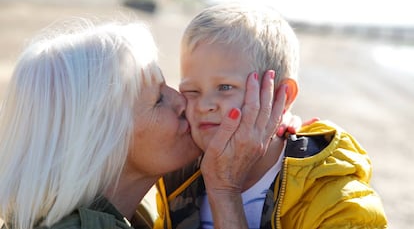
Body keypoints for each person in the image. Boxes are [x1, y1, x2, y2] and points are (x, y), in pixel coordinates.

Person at [0, 19, 288, 229]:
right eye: (159, 99)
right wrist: (225, 192)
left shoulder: (130, 211)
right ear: (101, 137)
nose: (182, 102)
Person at [154, 2, 388, 229]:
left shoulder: (337, 202)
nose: (204, 105)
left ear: (281, 96)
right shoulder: (177, 177)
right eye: (191, 91)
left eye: (225, 87)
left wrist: (225, 191)